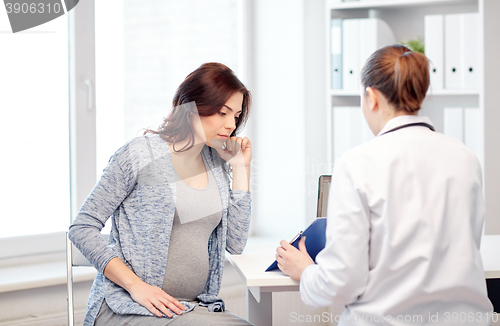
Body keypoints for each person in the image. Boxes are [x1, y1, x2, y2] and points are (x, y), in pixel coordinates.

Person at [276, 45, 493, 325]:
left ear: (372, 97)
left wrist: (305, 270)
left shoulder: (356, 164)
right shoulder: (465, 158)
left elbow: (341, 284)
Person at [69, 62, 254, 326]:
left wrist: (241, 167)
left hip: (188, 308)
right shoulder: (139, 154)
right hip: (128, 306)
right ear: (190, 107)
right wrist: (136, 287)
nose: (231, 125)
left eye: (235, 116)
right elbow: (82, 228)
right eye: (222, 113)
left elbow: (235, 243)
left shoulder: (216, 163)